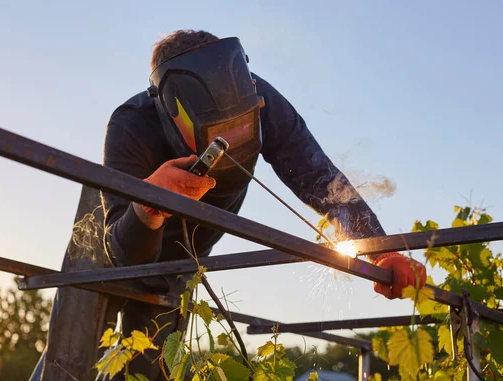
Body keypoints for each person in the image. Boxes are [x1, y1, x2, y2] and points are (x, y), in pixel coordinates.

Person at [102, 30, 426, 380]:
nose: (233, 140)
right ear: (171, 108)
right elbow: (124, 256)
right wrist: (151, 204)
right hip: (115, 234)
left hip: (185, 255)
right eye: (220, 135)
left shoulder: (259, 99)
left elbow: (321, 180)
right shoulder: (131, 127)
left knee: (150, 360)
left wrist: (381, 250)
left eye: (242, 127)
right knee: (82, 331)